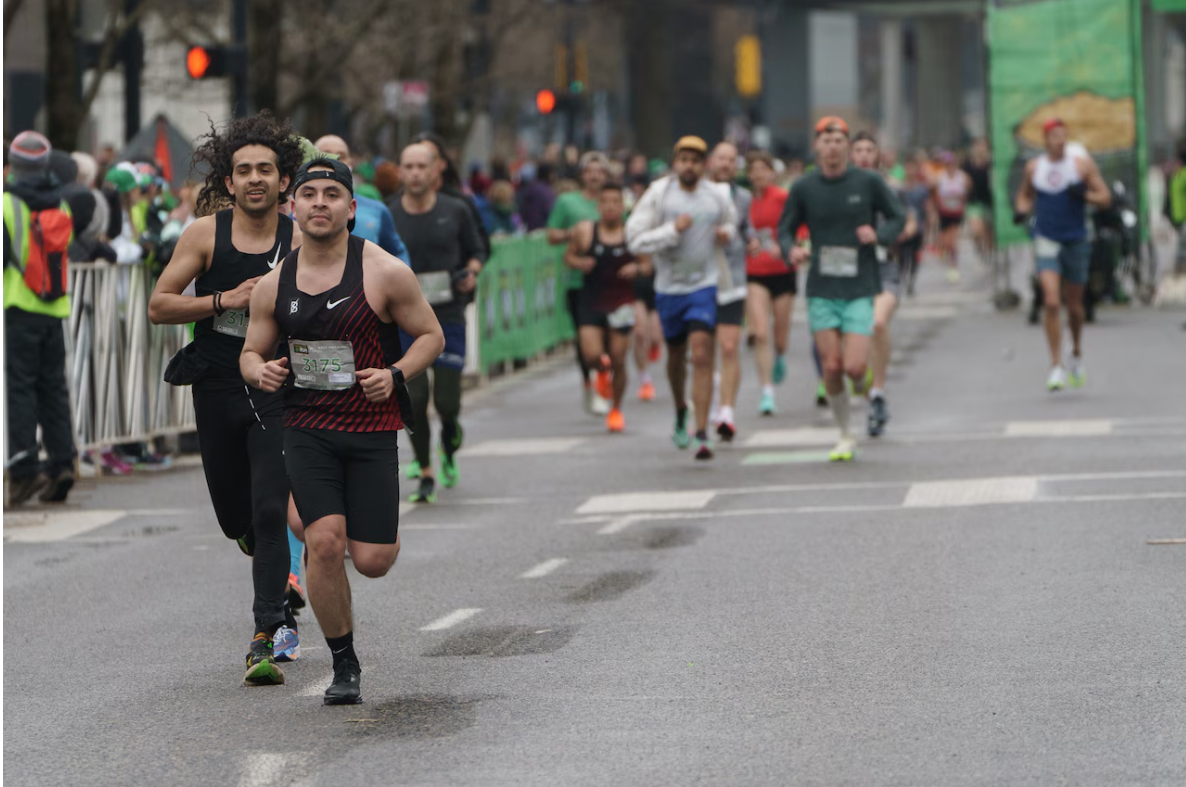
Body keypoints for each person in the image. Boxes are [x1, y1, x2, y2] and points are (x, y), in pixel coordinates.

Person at [241, 157, 444, 705]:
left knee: (373, 560)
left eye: (332, 194)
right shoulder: (275, 283)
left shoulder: (383, 271)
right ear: (293, 207)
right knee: (324, 543)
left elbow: (431, 335)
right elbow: (251, 351)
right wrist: (259, 370)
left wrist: (395, 373)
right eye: (309, 194)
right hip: (307, 426)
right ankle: (344, 664)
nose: (320, 203)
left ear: (351, 209)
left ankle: (344, 523)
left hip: (372, 429)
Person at [147, 112, 304, 685]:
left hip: (277, 381)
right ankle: (254, 548)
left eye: (266, 169)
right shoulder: (203, 235)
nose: (256, 178)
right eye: (244, 170)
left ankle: (266, 632)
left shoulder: (302, 237)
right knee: (235, 514)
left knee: (269, 510)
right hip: (215, 377)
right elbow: (159, 305)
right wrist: (223, 301)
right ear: (229, 181)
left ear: (285, 180)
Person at [777, 117, 904, 462]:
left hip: (861, 285)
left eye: (838, 140)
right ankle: (846, 433)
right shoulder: (804, 187)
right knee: (831, 366)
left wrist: (880, 236)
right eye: (826, 140)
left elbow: (897, 216)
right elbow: (785, 228)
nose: (832, 147)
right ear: (817, 146)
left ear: (846, 147)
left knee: (854, 368)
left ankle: (868, 390)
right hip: (821, 287)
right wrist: (792, 249)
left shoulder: (867, 182)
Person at [626, 136, 737, 460]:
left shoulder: (715, 195)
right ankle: (680, 410)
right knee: (676, 358)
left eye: (695, 160)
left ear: (704, 166)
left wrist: (725, 233)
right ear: (676, 163)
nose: (689, 165)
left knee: (702, 353)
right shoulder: (660, 194)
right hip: (668, 287)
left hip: (704, 284)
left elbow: (731, 221)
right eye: (684, 159)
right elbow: (634, 239)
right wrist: (672, 230)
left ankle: (702, 432)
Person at [388, 143, 485, 503]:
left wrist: (471, 272)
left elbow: (477, 250)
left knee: (446, 401)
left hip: (447, 314)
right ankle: (426, 470)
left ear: (434, 171)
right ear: (400, 171)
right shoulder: (390, 213)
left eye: (420, 166)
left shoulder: (456, 210)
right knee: (412, 400)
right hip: (404, 317)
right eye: (408, 166)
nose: (414, 173)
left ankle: (449, 433)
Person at [3, 131, 79, 505]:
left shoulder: (6, 205)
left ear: (14, 165)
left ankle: (23, 470)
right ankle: (62, 464)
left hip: (18, 307)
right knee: (53, 390)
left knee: (19, 389)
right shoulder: (60, 206)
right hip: (54, 309)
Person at [1013, 117, 1111, 391]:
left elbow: (1104, 197)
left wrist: (1084, 196)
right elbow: (1024, 196)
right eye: (1055, 136)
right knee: (1052, 302)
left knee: (1075, 307)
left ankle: (1076, 352)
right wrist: (1021, 210)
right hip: (1046, 238)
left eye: (1064, 135)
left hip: (1076, 239)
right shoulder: (1035, 168)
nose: (1060, 141)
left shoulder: (1080, 167)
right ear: (1045, 140)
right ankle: (1055, 365)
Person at [564, 183, 650, 432]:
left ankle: (616, 409)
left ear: (623, 206)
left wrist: (637, 269)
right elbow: (568, 257)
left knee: (619, 358)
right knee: (592, 355)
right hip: (591, 300)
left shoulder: (632, 234)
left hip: (621, 302)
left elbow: (648, 265)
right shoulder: (585, 231)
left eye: (616, 202)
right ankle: (601, 373)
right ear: (598, 206)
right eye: (606, 202)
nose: (611, 207)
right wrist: (580, 262)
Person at [851, 132, 916, 437]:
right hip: (849, 272)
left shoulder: (890, 188)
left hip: (884, 267)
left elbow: (907, 220)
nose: (864, 155)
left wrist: (890, 233)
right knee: (853, 361)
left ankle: (878, 392)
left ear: (878, 156)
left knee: (877, 323)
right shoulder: (837, 188)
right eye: (858, 150)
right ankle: (870, 395)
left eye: (869, 150)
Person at [547, 151, 610, 415]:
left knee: (609, 337)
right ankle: (589, 383)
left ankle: (604, 383)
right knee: (584, 339)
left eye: (600, 171)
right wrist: (572, 233)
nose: (594, 175)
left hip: (609, 280)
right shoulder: (567, 202)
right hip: (578, 281)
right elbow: (551, 235)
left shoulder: (614, 201)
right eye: (589, 170)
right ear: (582, 174)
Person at [706, 141, 756, 441]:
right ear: (711, 162)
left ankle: (727, 411)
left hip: (732, 278)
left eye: (731, 160)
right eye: (721, 158)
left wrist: (751, 241)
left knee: (728, 346)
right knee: (703, 349)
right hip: (700, 278)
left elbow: (746, 227)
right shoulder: (697, 193)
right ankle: (710, 393)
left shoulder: (743, 197)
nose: (726, 164)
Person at [744, 149, 794, 418]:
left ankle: (782, 355)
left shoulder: (783, 198)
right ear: (749, 175)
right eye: (754, 170)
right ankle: (767, 392)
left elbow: (799, 226)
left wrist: (786, 246)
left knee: (780, 334)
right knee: (761, 332)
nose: (759, 174)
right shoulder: (745, 202)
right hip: (755, 272)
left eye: (764, 169)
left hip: (783, 270)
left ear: (772, 172)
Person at [313, 135, 409, 261]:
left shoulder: (377, 210)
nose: (335, 160)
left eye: (341, 156)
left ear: (350, 163)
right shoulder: (297, 209)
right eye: (326, 155)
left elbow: (397, 254)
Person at [932, 151, 970, 283]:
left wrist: (962, 204)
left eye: (951, 163)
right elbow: (935, 196)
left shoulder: (962, 177)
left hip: (956, 213)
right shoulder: (940, 177)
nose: (949, 166)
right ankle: (947, 256)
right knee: (944, 241)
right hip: (944, 213)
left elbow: (967, 193)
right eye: (947, 164)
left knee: (952, 241)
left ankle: (953, 266)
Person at [963, 138, 994, 263]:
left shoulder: (991, 164)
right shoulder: (968, 165)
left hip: (989, 202)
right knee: (977, 231)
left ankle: (989, 253)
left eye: (983, 146)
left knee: (988, 231)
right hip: (974, 202)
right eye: (977, 146)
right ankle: (980, 249)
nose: (980, 149)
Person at [518, 162, 556, 232]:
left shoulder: (531, 187)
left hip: (530, 228)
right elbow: (551, 211)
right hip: (542, 228)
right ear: (548, 174)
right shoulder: (545, 191)